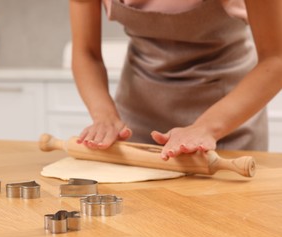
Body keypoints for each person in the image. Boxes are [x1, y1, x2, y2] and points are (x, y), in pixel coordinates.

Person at [69, 0, 282, 160]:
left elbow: (276, 59)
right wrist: (104, 115)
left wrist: (207, 128)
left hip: (226, 121)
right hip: (136, 118)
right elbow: (87, 53)